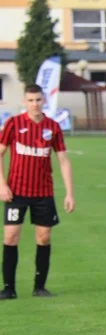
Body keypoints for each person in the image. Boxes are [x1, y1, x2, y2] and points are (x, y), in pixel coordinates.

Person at [0, 84, 75, 300]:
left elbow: (63, 160)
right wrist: (2, 185)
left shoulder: (53, 127)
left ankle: (39, 287)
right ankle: (8, 289)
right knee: (11, 236)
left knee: (44, 237)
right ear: (24, 102)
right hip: (16, 192)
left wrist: (69, 193)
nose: (35, 104)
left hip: (43, 193)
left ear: (44, 101)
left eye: (38, 100)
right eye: (31, 100)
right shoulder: (14, 123)